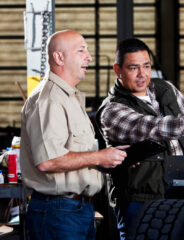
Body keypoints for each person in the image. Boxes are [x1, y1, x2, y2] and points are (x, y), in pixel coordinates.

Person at [96, 38, 184, 237]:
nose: (142, 74)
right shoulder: (112, 110)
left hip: (178, 190)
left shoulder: (162, 89)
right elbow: (152, 126)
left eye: (146, 66)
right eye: (133, 68)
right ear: (117, 70)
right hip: (140, 199)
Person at [20, 29, 128, 240]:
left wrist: (111, 157)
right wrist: (100, 157)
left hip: (76, 210)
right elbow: (48, 161)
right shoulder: (49, 100)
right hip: (58, 212)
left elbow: (75, 154)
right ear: (59, 57)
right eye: (81, 51)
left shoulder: (69, 98)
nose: (88, 57)